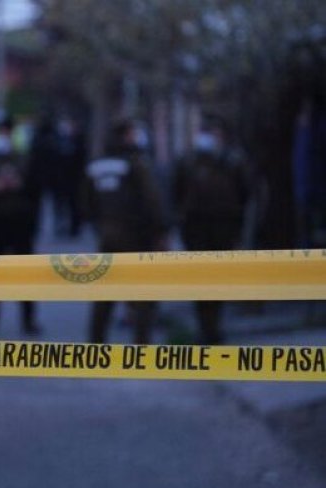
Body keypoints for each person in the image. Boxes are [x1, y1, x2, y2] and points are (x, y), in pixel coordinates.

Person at [82, 119, 170, 343]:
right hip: (136, 236)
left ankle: (95, 343)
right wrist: (160, 231)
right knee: (142, 293)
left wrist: (100, 225)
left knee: (105, 291)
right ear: (126, 136)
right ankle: (141, 346)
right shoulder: (136, 164)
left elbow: (86, 203)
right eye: (133, 133)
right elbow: (152, 200)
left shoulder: (96, 165)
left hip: (107, 234)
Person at [174, 120, 251, 343]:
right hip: (196, 229)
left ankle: (214, 326)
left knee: (219, 279)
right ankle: (205, 327)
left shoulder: (232, 162)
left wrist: (237, 224)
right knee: (200, 279)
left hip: (223, 227)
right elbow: (177, 192)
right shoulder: (188, 162)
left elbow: (244, 192)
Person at [0, 117, 43, 334]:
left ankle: (28, 319)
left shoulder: (24, 159)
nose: (4, 136)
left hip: (20, 222)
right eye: (2, 132)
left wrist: (20, 186)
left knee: (25, 275)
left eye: (7, 132)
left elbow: (36, 191)